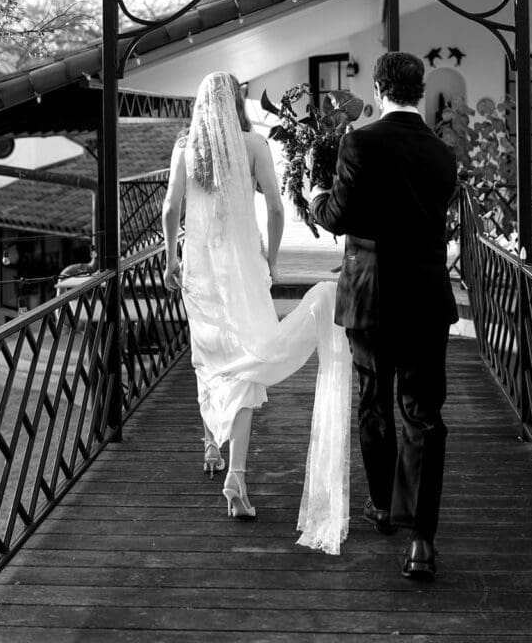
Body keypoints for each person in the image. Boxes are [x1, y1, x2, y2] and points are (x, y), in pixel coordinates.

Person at [162, 71, 352, 550]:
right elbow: (275, 207)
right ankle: (237, 477)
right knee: (245, 362)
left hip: (199, 270)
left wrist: (170, 258)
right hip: (243, 267)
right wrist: (270, 260)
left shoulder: (185, 147)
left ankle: (211, 445)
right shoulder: (253, 145)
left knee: (209, 354)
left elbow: (169, 210)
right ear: (238, 103)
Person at [310, 51, 458, 581]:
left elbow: (340, 216)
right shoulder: (444, 154)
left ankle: (381, 505)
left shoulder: (360, 142)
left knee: (375, 402)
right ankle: (422, 542)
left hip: (371, 296)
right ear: (420, 92)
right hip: (426, 298)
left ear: (376, 88)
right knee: (424, 413)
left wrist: (316, 196)